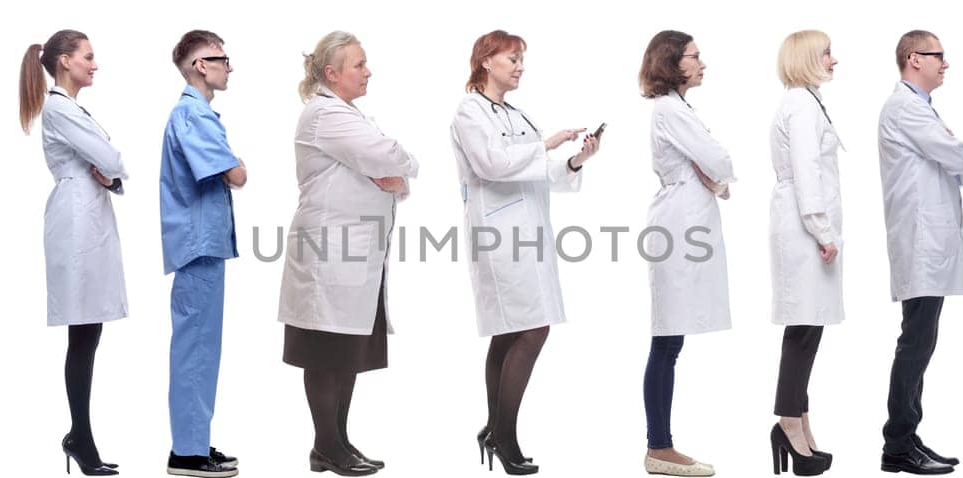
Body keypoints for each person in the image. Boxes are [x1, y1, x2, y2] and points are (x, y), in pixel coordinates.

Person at [450, 29, 600, 476]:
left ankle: (495, 429)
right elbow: (492, 165)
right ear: (485, 60)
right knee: (531, 329)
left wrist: (575, 160)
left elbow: (535, 171)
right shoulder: (469, 111)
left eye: (521, 60)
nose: (519, 66)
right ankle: (504, 435)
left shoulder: (515, 113)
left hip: (528, 232)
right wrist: (547, 144)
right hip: (498, 236)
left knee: (511, 331)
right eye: (512, 58)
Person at [278, 30, 417, 477]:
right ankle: (328, 446)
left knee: (346, 351)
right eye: (359, 65)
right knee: (325, 351)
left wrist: (396, 176)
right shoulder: (325, 115)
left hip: (356, 255)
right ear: (332, 73)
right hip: (329, 252)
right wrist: (396, 170)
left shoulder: (348, 114)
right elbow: (390, 155)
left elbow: (394, 173)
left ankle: (337, 443)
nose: (368, 71)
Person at [16, 29, 127, 476]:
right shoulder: (60, 108)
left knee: (89, 332)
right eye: (88, 56)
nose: (94, 64)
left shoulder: (72, 109)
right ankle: (80, 436)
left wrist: (110, 175)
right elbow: (113, 159)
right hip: (77, 223)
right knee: (82, 334)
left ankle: (80, 435)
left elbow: (110, 169)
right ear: (64, 61)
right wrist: (111, 171)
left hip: (89, 218)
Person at [875, 30, 963, 476]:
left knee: (922, 341)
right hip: (920, 242)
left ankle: (907, 436)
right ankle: (896, 445)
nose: (945, 63)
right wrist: (956, 145)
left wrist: (952, 147)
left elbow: (949, 155)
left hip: (930, 243)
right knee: (914, 343)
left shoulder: (919, 109)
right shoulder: (904, 108)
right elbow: (953, 154)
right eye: (939, 56)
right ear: (915, 58)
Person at [637, 29, 729, 478]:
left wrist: (715, 173)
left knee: (671, 339)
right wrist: (716, 172)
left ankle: (661, 444)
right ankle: (659, 447)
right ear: (672, 62)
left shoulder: (678, 109)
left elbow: (715, 167)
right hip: (677, 229)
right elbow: (719, 159)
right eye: (695, 56)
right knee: (667, 339)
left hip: (684, 224)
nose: (703, 63)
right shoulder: (670, 110)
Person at [158, 29, 246, 478]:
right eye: (222, 59)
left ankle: (194, 441)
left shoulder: (199, 114)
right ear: (200, 65)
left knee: (203, 347)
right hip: (197, 246)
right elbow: (234, 174)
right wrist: (238, 164)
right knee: (195, 348)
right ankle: (187, 454)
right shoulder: (192, 115)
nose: (228, 67)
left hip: (206, 245)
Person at [766, 29, 840, 477]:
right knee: (802, 328)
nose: (835, 60)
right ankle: (788, 419)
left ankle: (798, 417)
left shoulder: (806, 101)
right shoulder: (799, 106)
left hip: (804, 226)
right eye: (828, 53)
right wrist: (822, 230)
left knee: (808, 327)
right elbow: (807, 173)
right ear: (808, 58)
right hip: (803, 228)